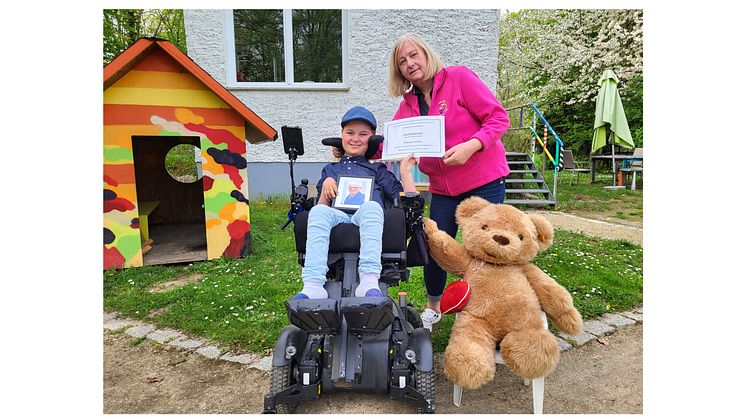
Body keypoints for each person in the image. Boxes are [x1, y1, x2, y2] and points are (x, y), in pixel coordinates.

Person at [387, 33, 511, 329]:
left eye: (414, 55)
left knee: (488, 248)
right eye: (402, 61)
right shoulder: (408, 105)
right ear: (399, 71)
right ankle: (433, 308)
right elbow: (391, 143)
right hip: (442, 190)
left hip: (484, 181)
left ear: (427, 54)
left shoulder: (459, 78)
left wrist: (472, 145)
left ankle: (490, 309)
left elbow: (498, 118)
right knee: (436, 246)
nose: (410, 64)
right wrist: (356, 144)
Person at [293, 106, 418, 300]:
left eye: (363, 134)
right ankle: (313, 284)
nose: (355, 138)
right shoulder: (331, 170)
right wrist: (326, 186)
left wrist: (406, 171)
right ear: (342, 135)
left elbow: (403, 198)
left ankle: (368, 281)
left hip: (367, 216)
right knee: (317, 211)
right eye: (350, 133)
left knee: (371, 206)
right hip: (338, 215)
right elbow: (324, 205)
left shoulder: (377, 170)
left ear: (372, 138)